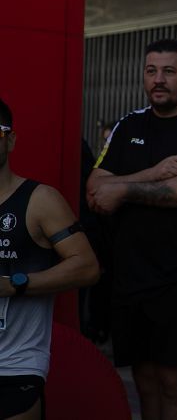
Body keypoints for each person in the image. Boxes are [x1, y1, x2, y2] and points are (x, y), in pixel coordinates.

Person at [86, 39, 177, 420]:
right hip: (132, 275)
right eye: (151, 71)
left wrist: (121, 189)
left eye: (168, 72)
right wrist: (150, 175)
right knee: (145, 381)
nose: (158, 80)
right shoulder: (128, 125)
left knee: (175, 383)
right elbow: (95, 190)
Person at [0, 97, 100, 420]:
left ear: (11, 139)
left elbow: (86, 267)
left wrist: (16, 284)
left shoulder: (39, 200)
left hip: (13, 366)